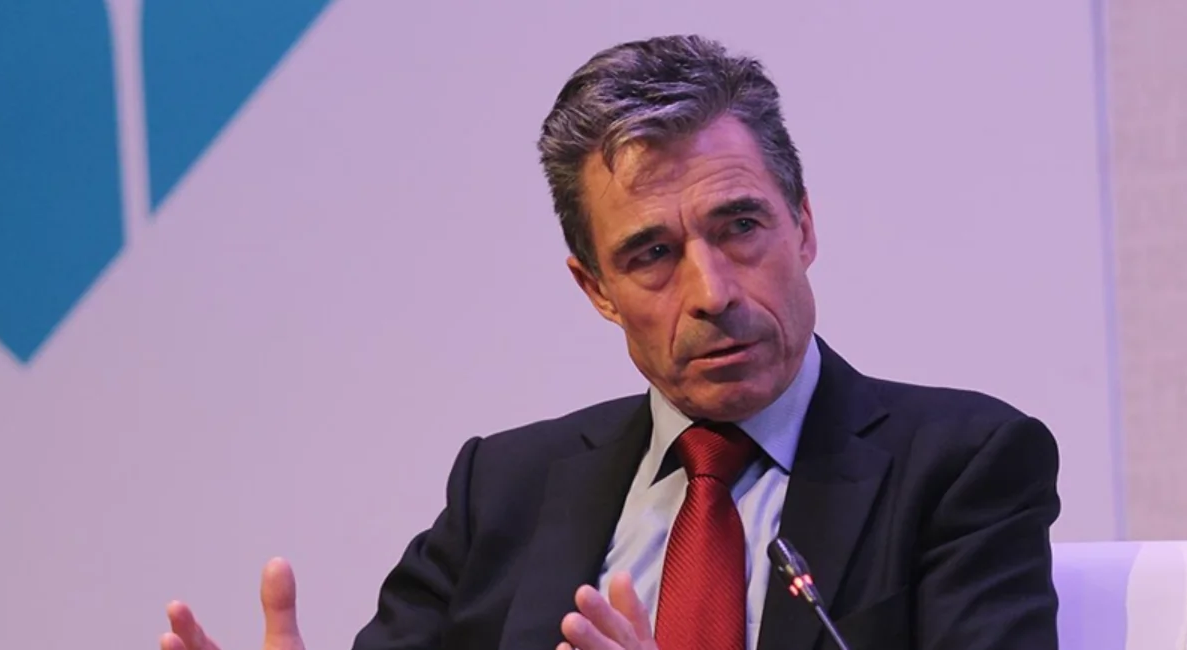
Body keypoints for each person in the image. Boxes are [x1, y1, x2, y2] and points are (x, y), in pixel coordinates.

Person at [160, 34, 1061, 650]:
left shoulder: (960, 465)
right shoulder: (503, 489)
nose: (712, 293)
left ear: (804, 224)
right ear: (595, 288)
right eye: (652, 255)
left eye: (741, 226)